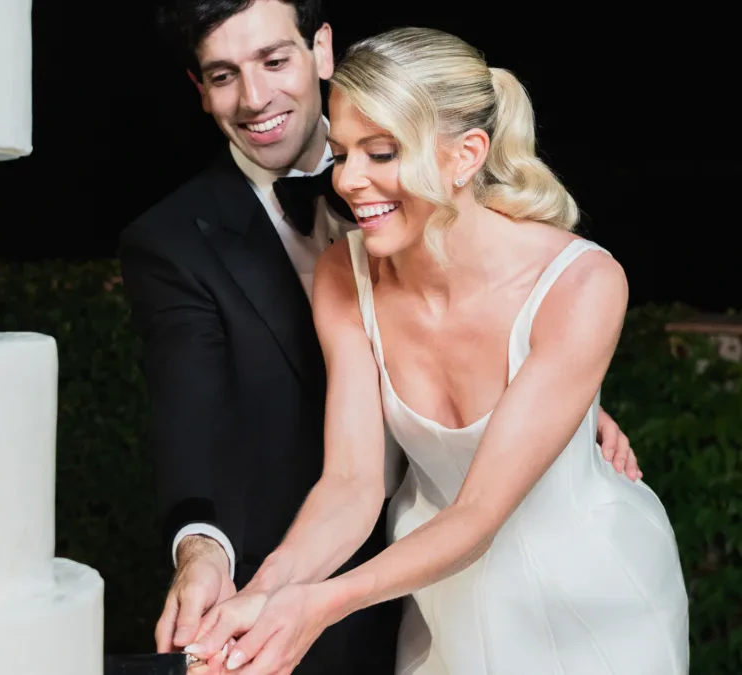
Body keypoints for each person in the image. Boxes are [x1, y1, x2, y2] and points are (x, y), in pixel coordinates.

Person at [120, 3, 641, 672]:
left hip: (584, 596)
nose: (348, 180)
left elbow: (480, 507)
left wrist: (569, 411)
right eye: (344, 154)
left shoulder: (583, 281)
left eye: (381, 152)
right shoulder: (337, 265)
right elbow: (347, 483)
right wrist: (257, 597)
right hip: (428, 594)